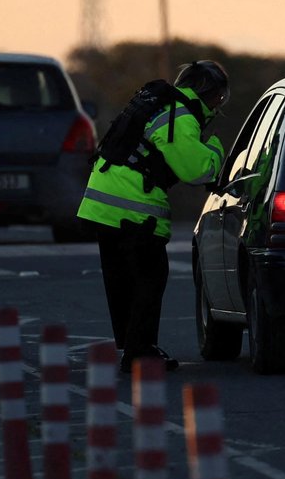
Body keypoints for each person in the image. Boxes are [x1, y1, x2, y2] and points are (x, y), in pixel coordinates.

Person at [77, 60, 229, 372]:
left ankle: (133, 348)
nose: (219, 105)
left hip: (102, 202)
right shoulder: (181, 116)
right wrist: (215, 148)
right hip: (131, 205)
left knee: (122, 279)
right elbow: (197, 170)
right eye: (220, 98)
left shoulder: (159, 105)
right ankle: (139, 352)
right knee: (150, 276)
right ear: (211, 94)